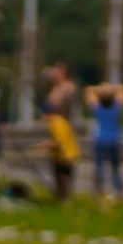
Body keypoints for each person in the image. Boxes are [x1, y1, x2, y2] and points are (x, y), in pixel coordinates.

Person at [41, 67, 80, 201]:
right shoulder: (57, 122)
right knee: (59, 175)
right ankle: (62, 197)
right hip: (62, 150)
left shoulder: (68, 87)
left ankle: (65, 199)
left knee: (63, 175)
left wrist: (47, 144)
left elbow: (58, 142)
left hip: (65, 152)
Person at [87, 80, 123, 199]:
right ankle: (119, 190)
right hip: (114, 140)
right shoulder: (116, 109)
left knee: (99, 166)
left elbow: (88, 91)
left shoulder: (98, 109)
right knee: (115, 167)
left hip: (100, 140)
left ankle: (99, 189)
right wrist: (112, 90)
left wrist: (100, 89)